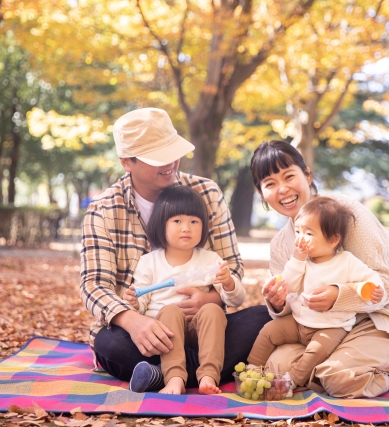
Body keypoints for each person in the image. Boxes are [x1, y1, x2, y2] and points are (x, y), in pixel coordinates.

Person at [80, 108, 271, 392]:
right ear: (126, 162)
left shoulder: (206, 193)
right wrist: (133, 321)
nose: (170, 163)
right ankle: (201, 372)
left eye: (172, 151)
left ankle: (163, 376)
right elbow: (94, 285)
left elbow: (231, 266)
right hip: (146, 335)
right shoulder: (104, 209)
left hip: (206, 328)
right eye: (158, 157)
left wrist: (210, 298)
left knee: (263, 318)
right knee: (110, 344)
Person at [248, 140, 389, 399]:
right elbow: (291, 304)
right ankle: (335, 366)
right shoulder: (279, 245)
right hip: (318, 328)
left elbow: (385, 284)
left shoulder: (345, 213)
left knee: (332, 376)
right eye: (270, 183)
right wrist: (277, 303)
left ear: (307, 175)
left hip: (380, 318)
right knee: (277, 367)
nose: (283, 189)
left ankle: (388, 372)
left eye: (289, 176)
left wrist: (338, 296)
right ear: (261, 192)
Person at [247, 197, 384, 389]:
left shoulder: (346, 261)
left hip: (331, 327)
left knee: (315, 352)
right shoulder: (302, 262)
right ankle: (251, 368)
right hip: (298, 321)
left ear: (333, 239)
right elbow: (290, 285)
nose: (300, 239)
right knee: (269, 331)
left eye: (308, 233)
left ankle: (291, 381)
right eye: (297, 232)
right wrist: (298, 259)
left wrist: (376, 290)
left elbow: (371, 278)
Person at [122, 186, 246, 394]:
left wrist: (229, 284)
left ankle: (208, 375)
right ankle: (175, 378)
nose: (186, 228)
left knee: (213, 310)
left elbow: (236, 300)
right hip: (164, 337)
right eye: (177, 221)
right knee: (169, 311)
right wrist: (134, 302)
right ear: (162, 225)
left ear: (204, 226)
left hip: (201, 335)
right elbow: (142, 303)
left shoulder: (210, 260)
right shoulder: (149, 262)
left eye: (194, 221)